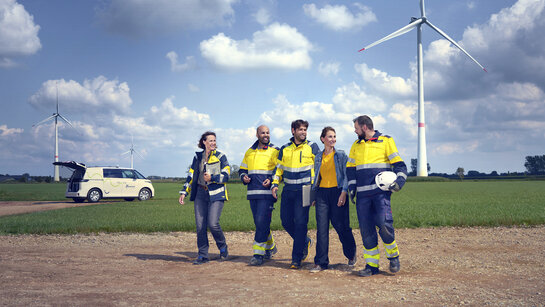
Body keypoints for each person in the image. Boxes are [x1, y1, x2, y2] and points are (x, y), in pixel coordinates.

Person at [347, 115, 408, 277]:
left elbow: (400, 165)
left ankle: (393, 257)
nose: (355, 131)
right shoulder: (356, 145)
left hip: (381, 194)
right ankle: (371, 266)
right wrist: (352, 187)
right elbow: (350, 169)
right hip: (362, 196)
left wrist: (399, 181)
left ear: (364, 127)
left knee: (384, 224)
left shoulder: (386, 141)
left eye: (356, 128)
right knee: (366, 231)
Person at [271, 119, 320, 269]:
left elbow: (319, 169)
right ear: (293, 131)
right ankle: (305, 241)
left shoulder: (312, 147)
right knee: (285, 221)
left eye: (305, 129)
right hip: (288, 190)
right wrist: (274, 184)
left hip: (305, 191)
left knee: (300, 223)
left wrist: (315, 190)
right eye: (300, 129)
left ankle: (296, 258)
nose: (303, 132)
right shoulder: (284, 148)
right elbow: (278, 169)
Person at [309, 127, 357, 273]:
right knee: (322, 228)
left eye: (334, 136)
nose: (333, 139)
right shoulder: (318, 157)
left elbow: (347, 175)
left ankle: (351, 253)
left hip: (338, 192)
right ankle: (321, 263)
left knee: (340, 225)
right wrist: (313, 196)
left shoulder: (341, 155)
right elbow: (316, 177)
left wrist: (344, 192)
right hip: (322, 194)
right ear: (322, 139)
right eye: (330, 136)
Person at [179, 131, 230, 265]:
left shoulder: (221, 156)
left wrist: (212, 178)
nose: (213, 143)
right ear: (204, 142)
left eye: (214, 140)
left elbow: (227, 175)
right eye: (210, 140)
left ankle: (222, 246)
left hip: (217, 193)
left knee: (213, 223)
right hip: (200, 194)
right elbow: (191, 176)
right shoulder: (198, 157)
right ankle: (203, 255)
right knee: (200, 226)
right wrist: (184, 191)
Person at [239, 125, 280, 266]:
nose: (266, 135)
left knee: (261, 222)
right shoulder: (249, 152)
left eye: (268, 132)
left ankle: (258, 254)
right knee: (259, 223)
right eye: (263, 133)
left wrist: (272, 180)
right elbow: (242, 169)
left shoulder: (275, 151)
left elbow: (280, 169)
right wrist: (244, 176)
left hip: (268, 193)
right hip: (252, 193)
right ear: (257, 135)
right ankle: (271, 246)